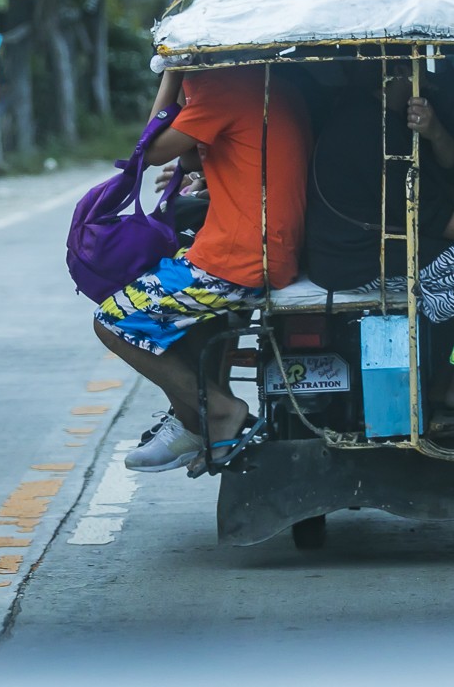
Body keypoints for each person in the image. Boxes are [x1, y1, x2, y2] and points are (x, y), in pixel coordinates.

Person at [96, 66, 310, 475]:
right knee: (183, 315)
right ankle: (191, 418)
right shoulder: (269, 82)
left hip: (235, 260)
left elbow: (151, 149)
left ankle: (216, 410)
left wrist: (169, 77)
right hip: (273, 252)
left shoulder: (222, 88)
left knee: (111, 320)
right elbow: (212, 155)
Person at [302, 66, 454, 413]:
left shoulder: (389, 118)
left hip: (369, 245)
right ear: (395, 74)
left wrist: (435, 130)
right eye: (417, 70)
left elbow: (452, 169)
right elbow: (426, 214)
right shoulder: (368, 126)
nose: (426, 77)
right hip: (353, 258)